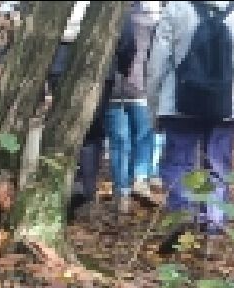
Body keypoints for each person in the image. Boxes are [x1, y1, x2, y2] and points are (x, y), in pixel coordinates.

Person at [146, 1, 234, 254]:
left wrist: (154, 107)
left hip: (179, 103)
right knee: (218, 165)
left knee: (179, 163)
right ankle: (212, 229)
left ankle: (181, 216)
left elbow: (157, 61)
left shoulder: (176, 9)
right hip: (227, 105)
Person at [69, 1, 166, 219]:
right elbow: (145, 53)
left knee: (119, 142)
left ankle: (121, 192)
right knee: (142, 137)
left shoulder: (108, 15)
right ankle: (138, 181)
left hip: (115, 86)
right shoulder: (152, 21)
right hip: (135, 86)